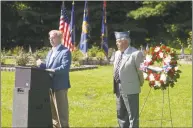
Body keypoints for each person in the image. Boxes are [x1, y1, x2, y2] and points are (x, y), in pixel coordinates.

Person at [36, 30, 71, 128]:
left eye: (53, 37)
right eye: (50, 37)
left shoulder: (65, 51)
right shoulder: (50, 52)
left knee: (61, 113)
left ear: (60, 38)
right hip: (49, 86)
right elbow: (48, 66)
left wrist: (52, 70)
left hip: (60, 86)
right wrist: (41, 64)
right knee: (53, 114)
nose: (51, 39)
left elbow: (65, 68)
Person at [113, 31, 144, 128]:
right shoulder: (117, 53)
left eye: (118, 41)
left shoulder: (135, 54)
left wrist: (138, 84)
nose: (116, 43)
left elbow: (140, 72)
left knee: (132, 116)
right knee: (121, 114)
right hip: (118, 87)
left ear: (125, 42)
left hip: (131, 88)